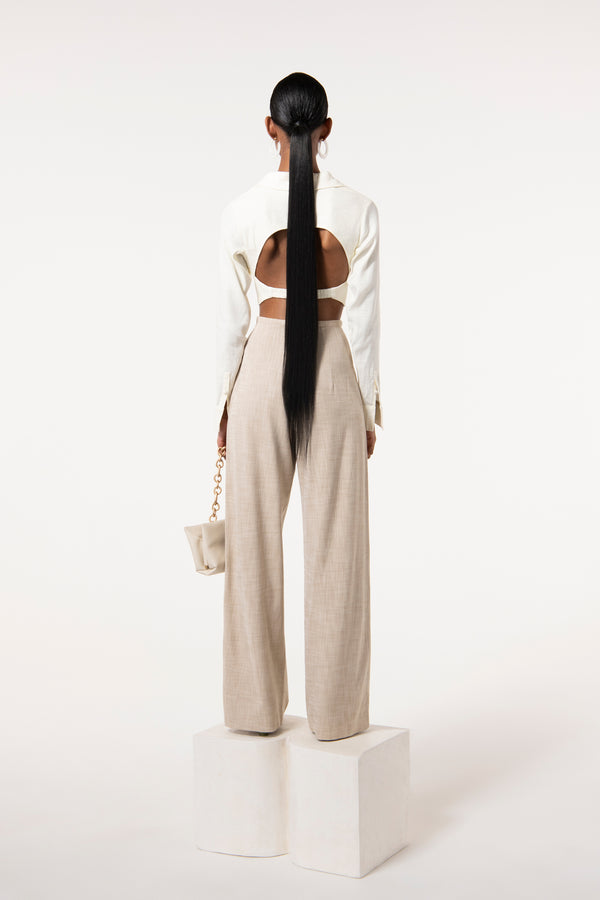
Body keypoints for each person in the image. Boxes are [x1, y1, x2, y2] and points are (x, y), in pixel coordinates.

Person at [215, 72, 383, 742]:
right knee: (339, 546)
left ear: (270, 129)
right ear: (327, 129)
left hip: (260, 370)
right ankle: (337, 716)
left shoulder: (239, 211)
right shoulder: (361, 210)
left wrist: (223, 406)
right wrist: (366, 408)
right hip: (334, 366)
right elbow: (364, 322)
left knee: (252, 540)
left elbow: (231, 324)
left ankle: (252, 710)